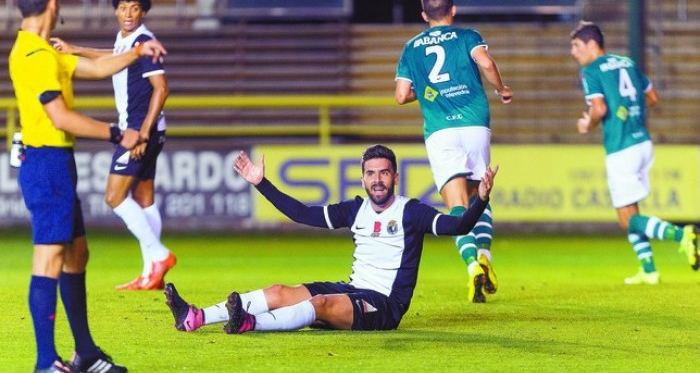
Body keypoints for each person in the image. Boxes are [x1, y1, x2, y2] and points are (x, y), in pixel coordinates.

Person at [164, 144, 498, 334]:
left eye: (384, 173)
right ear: (363, 177)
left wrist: (480, 197)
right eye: (371, 173)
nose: (377, 180)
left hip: (384, 306)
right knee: (282, 291)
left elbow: (459, 226)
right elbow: (301, 213)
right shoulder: (355, 210)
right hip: (353, 290)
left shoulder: (412, 212)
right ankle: (196, 317)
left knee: (319, 304)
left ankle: (249, 322)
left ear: (395, 176)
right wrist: (260, 183)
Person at [9, 0, 166, 371]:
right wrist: (118, 134)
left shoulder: (39, 48)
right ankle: (46, 362)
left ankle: (86, 354)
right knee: (48, 259)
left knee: (77, 255)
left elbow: (96, 67)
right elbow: (60, 116)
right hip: (46, 164)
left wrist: (138, 50)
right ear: (51, 5)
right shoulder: (36, 54)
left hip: (57, 164)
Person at [51, 0, 175, 291]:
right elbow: (115, 56)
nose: (128, 14)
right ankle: (151, 275)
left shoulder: (144, 41)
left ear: (143, 11)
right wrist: (77, 50)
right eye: (123, 8)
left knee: (114, 196)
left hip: (139, 130)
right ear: (116, 11)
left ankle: (159, 256)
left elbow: (162, 88)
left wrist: (142, 133)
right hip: (149, 129)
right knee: (143, 198)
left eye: (134, 8)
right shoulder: (128, 41)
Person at [394, 0, 511, 302]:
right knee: (478, 194)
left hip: (440, 129)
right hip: (475, 122)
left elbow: (401, 95)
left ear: (423, 15)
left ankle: (472, 264)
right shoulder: (469, 35)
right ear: (453, 10)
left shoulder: (411, 47)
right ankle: (485, 253)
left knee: (456, 201)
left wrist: (430, 91)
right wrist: (502, 89)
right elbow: (485, 63)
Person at [570, 21, 699, 284]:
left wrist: (587, 124)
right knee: (632, 210)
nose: (573, 52)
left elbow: (600, 109)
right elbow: (652, 98)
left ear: (592, 44)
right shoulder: (627, 62)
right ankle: (649, 270)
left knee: (626, 220)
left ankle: (683, 235)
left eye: (576, 45)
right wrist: (628, 111)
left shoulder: (591, 71)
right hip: (642, 142)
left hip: (621, 147)